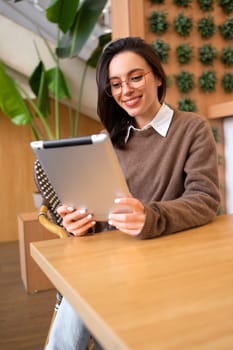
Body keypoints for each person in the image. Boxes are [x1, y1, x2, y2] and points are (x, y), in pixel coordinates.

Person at [45, 36, 220, 350]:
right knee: (82, 290)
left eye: (135, 77)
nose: (126, 90)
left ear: (157, 76)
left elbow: (205, 199)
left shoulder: (191, 129)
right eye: (115, 84)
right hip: (112, 261)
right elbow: (102, 213)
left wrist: (151, 217)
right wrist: (79, 223)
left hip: (168, 257)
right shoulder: (107, 139)